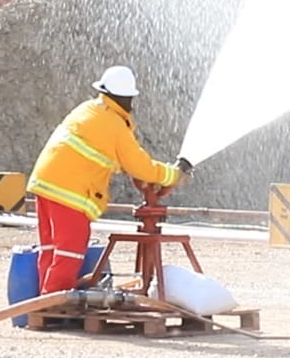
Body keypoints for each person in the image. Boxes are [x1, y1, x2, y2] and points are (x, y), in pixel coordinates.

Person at [27, 64, 193, 294]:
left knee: (50, 249)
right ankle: (53, 304)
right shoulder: (114, 124)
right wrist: (173, 174)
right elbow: (141, 167)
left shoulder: (88, 110)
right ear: (127, 98)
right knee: (70, 251)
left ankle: (43, 302)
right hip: (69, 193)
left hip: (44, 184)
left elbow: (113, 158)